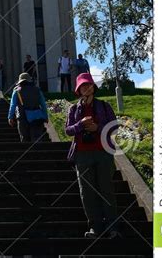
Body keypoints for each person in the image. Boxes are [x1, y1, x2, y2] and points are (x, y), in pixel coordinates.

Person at [65, 72, 121, 239]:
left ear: (93, 88)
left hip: (103, 153)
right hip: (82, 155)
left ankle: (113, 228)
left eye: (89, 85)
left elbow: (114, 128)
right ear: (78, 90)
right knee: (87, 192)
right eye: (83, 86)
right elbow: (68, 130)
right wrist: (80, 125)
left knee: (107, 190)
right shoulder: (73, 109)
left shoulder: (104, 106)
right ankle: (95, 228)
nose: (86, 88)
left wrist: (98, 127)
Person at [8, 72, 48, 142]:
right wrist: (45, 116)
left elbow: (13, 105)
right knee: (36, 139)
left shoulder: (17, 91)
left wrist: (10, 117)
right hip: (37, 118)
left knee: (25, 139)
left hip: (22, 118)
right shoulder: (37, 90)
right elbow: (43, 104)